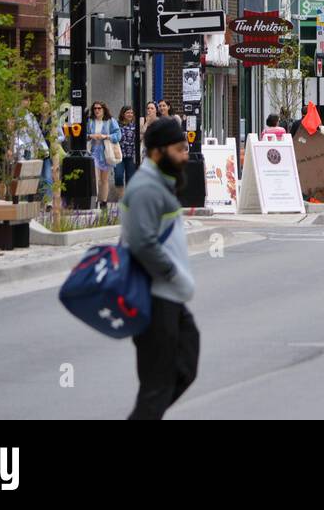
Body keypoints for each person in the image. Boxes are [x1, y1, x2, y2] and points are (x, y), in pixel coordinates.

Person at [120, 116, 198, 420]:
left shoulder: (159, 184)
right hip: (153, 297)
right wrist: (173, 274)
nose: (185, 155)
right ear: (157, 152)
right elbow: (142, 243)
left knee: (184, 365)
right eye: (179, 149)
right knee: (157, 383)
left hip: (169, 297)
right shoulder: (145, 188)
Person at [87, 101, 121, 207]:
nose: (97, 110)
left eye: (99, 108)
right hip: (93, 151)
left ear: (104, 109)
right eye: (95, 108)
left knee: (104, 179)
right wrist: (91, 136)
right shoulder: (90, 121)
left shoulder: (110, 121)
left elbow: (118, 135)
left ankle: (104, 201)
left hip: (105, 152)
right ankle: (96, 200)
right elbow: (84, 134)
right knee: (95, 178)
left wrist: (105, 136)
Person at [115, 106, 139, 190]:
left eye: (132, 113)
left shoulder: (136, 126)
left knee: (131, 178)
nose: (130, 114)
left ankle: (128, 199)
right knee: (118, 176)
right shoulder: (117, 125)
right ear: (123, 114)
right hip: (119, 155)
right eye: (128, 112)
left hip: (131, 155)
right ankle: (120, 196)